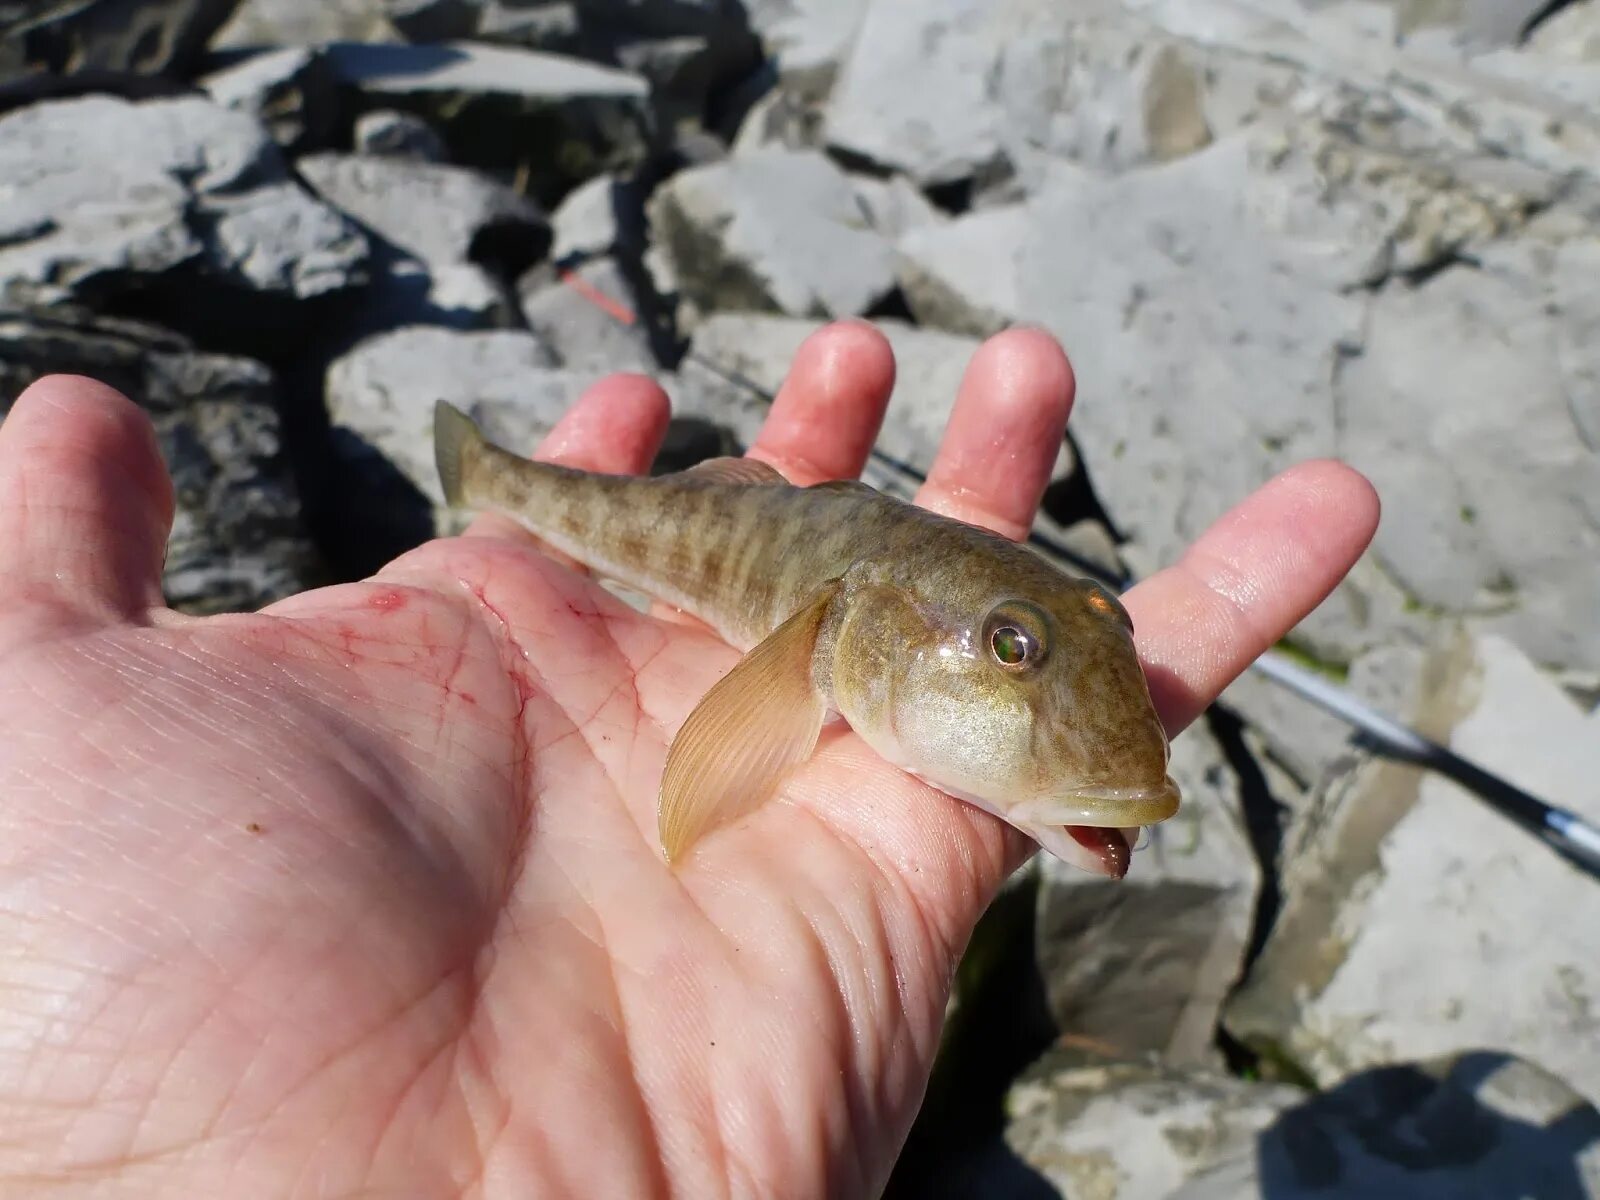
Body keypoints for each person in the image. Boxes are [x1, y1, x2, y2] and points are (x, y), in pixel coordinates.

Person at [0, 322, 1378, 1196]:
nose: (1042, 669)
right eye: (1016, 655)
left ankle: (490, 483)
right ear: (859, 637)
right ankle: (489, 484)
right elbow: (733, 755)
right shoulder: (832, 624)